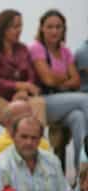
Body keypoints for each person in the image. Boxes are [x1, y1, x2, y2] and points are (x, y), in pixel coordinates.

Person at [28, 9, 88, 170]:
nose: (54, 30)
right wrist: (64, 77)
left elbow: (76, 81)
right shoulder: (36, 48)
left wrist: (57, 79)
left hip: (64, 102)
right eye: (50, 27)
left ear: (63, 29)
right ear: (42, 28)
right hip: (44, 102)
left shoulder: (65, 50)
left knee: (79, 118)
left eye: (58, 27)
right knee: (86, 100)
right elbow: (47, 79)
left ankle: (81, 173)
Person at [0, 9, 46, 126]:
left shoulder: (23, 49)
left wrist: (23, 91)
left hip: (20, 97)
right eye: (15, 27)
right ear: (3, 28)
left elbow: (31, 76)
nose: (19, 30)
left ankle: (39, 142)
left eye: (20, 26)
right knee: (18, 113)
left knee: (38, 103)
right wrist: (18, 86)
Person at [0, 116, 70, 191]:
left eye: (34, 138)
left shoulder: (52, 162)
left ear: (40, 139)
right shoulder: (0, 167)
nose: (29, 142)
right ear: (13, 136)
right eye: (24, 137)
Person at [0, 100, 50, 166]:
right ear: (8, 122)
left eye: (30, 116)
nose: (29, 121)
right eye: (23, 118)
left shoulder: (42, 142)